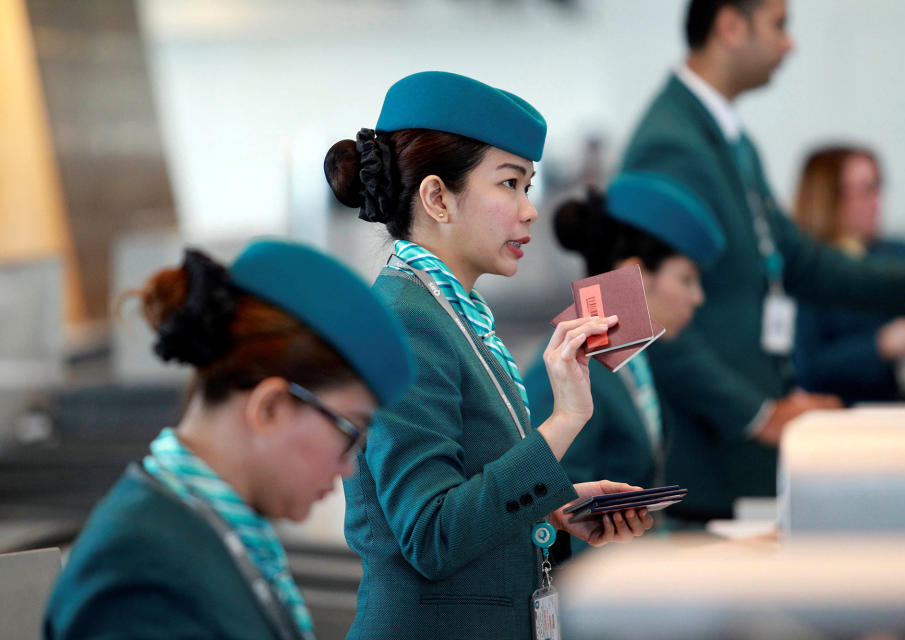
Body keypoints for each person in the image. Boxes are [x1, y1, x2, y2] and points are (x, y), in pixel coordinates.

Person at [324, 71, 654, 640]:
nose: (529, 211)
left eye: (529, 186)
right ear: (436, 197)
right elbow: (432, 534)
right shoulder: (407, 319)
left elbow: (467, 492)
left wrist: (553, 506)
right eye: (510, 184)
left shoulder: (450, 312)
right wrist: (565, 422)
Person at [620, 0, 905, 522]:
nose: (790, 43)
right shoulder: (672, 142)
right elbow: (636, 313)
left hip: (740, 442)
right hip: (707, 447)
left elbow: (795, 259)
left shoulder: (729, 139)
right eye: (779, 25)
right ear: (730, 26)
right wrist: (758, 415)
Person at [45, 239, 415, 639]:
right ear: (269, 408)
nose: (347, 466)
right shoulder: (139, 585)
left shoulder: (204, 530)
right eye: (349, 432)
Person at [526, 172, 725, 550]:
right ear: (635, 273)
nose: (696, 297)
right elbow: (562, 520)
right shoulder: (568, 371)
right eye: (686, 279)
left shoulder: (630, 363)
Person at [793, 145, 905, 404]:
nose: (876, 200)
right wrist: (880, 345)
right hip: (843, 414)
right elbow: (807, 368)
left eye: (878, 187)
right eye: (866, 190)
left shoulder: (898, 253)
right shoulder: (806, 269)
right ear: (828, 198)